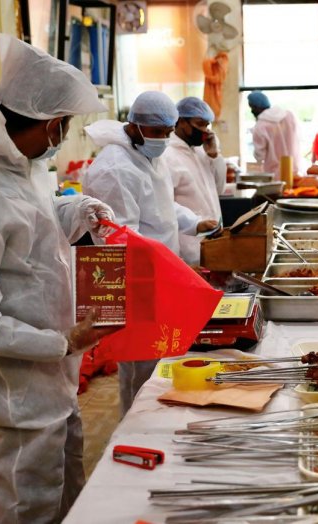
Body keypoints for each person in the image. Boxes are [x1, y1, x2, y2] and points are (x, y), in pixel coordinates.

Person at [0, 32, 118, 524]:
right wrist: (61, 340)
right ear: (51, 124)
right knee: (29, 505)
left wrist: (76, 210)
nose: (63, 135)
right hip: (19, 388)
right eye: (65, 125)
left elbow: (34, 232)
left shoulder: (15, 169)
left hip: (55, 374)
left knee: (68, 491)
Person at [81, 91, 218, 416]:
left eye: (168, 132)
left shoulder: (146, 156)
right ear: (134, 126)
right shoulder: (113, 169)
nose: (163, 139)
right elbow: (120, 236)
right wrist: (174, 271)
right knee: (140, 364)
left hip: (157, 272)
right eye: (157, 132)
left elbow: (161, 206)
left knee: (157, 360)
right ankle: (136, 428)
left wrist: (194, 223)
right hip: (132, 278)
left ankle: (149, 422)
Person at [162, 96, 226, 266]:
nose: (205, 129)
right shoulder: (167, 155)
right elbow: (164, 204)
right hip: (188, 247)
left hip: (212, 241)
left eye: (207, 124)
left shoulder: (199, 152)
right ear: (182, 121)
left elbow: (219, 188)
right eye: (200, 124)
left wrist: (214, 155)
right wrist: (195, 223)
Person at [247, 91, 303, 178]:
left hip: (274, 176)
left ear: (256, 107)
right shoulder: (289, 115)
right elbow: (299, 138)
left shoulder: (260, 126)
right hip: (294, 173)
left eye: (252, 107)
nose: (251, 111)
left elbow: (260, 156)